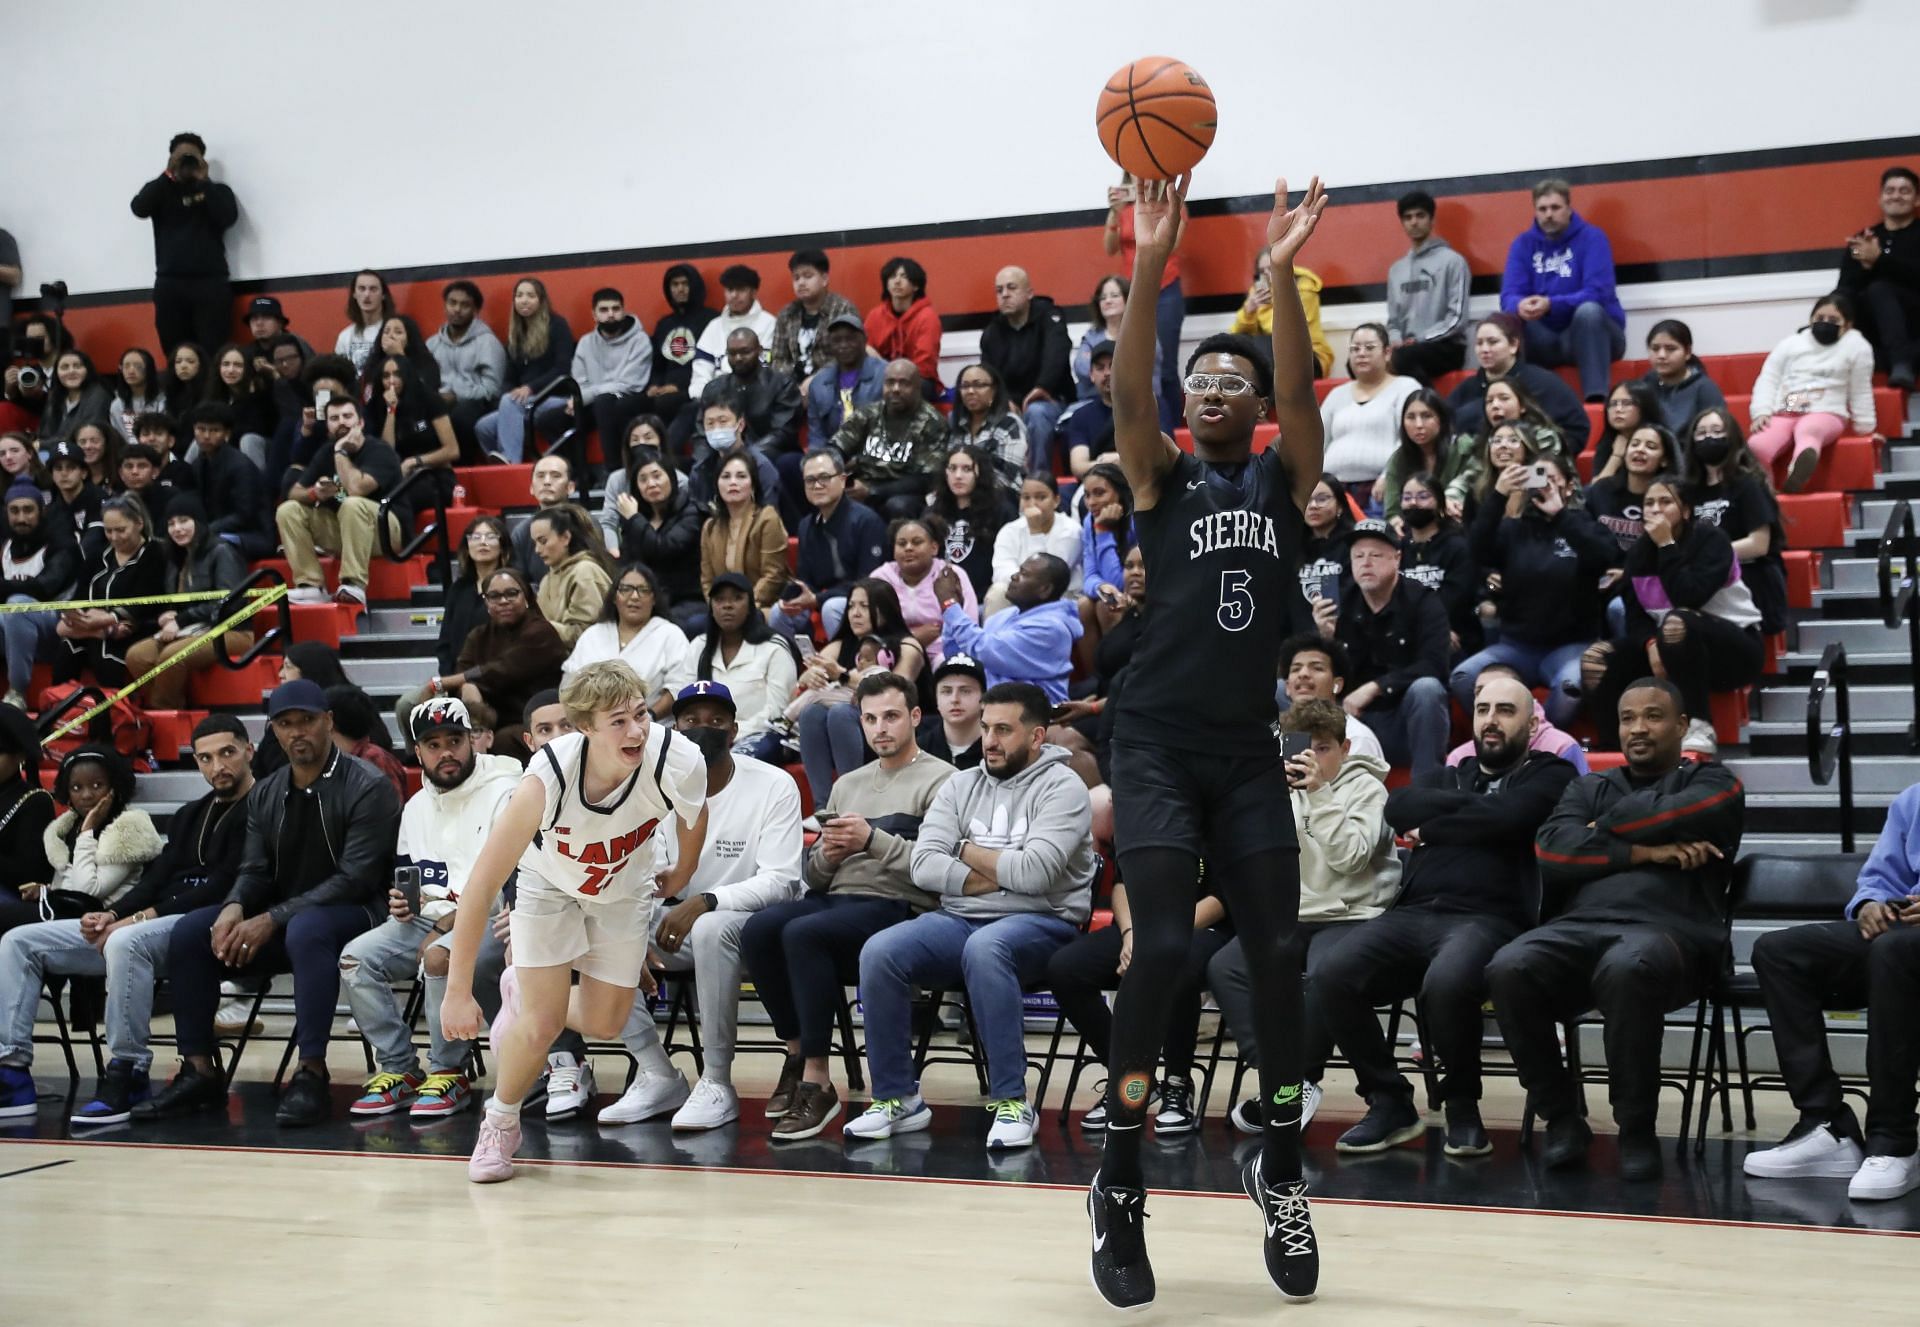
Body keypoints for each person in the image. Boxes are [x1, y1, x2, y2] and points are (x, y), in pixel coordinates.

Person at [1089, 171, 1329, 1311]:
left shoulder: (1286, 482)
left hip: (1242, 750)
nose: (1225, 385)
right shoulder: (1160, 476)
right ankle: (1121, 1180)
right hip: (1152, 747)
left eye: (1242, 376)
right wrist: (1149, 262)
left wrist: (1276, 279)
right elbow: (1133, 382)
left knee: (1279, 959)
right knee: (1169, 954)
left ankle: (1278, 1162)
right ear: (1191, 407)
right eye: (1208, 377)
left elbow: (1300, 388)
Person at [438, 660, 708, 1182]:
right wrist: (457, 989)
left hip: (624, 890)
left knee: (608, 1022)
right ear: (585, 727)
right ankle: (501, 1121)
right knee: (540, 1022)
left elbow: (695, 816)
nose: (636, 730)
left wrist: (681, 874)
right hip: (549, 887)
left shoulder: (677, 757)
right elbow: (480, 889)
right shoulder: (544, 781)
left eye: (640, 715)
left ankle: (532, 991)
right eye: (618, 722)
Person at [1489, 677, 1745, 1181]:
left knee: (1627, 967)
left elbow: (1684, 810)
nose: (1638, 729)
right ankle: (1563, 1118)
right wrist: (1648, 850)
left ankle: (1636, 1129)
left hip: (1675, 935)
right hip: (1580, 928)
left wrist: (1600, 829)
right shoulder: (1588, 786)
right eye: (1627, 719)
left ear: (1681, 726)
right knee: (1508, 966)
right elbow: (1553, 851)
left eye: (1652, 716)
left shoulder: (1714, 782)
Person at [1314, 675, 1578, 1155]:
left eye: (1505, 710)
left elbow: (1514, 817)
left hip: (1490, 917)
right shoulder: (1450, 772)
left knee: (1448, 982)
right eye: (1482, 710)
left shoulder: (1551, 773)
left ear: (1532, 720)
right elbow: (1401, 805)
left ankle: (1461, 1105)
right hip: (1413, 912)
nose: (1491, 720)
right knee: (1331, 972)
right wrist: (1480, 807)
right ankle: (1389, 1100)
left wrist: (1446, 819)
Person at [135, 681, 399, 1127]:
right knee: (192, 932)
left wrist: (271, 918)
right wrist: (234, 907)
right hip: (287, 919)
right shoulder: (267, 792)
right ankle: (198, 1068)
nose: (298, 732)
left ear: (328, 722)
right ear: (273, 731)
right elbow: (254, 870)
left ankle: (312, 1071)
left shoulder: (367, 785)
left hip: (362, 915)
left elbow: (356, 879)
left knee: (307, 928)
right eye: (286, 724)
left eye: (308, 721)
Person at [846, 682, 1094, 1148]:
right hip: (959, 918)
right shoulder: (962, 784)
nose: (990, 740)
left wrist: (959, 850)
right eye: (985, 728)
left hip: (1044, 922)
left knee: (988, 947)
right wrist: (1000, 869)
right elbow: (923, 865)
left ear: (1038, 736)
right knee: (881, 950)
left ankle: (1012, 1101)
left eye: (1004, 729)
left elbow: (1038, 875)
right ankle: (899, 1098)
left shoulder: (1065, 788)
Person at [0, 717, 252, 1126]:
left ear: (248, 751)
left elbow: (226, 884)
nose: (216, 766)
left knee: (124, 941)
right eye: (205, 758)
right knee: (19, 940)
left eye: (226, 753)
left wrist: (135, 918)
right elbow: (158, 877)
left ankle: (128, 1069)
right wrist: (112, 914)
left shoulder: (263, 805)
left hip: (206, 922)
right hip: (151, 920)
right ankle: (10, 1073)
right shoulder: (191, 813)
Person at [739, 672, 955, 1141]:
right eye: (871, 719)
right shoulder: (849, 784)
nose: (881, 729)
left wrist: (873, 840)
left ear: (915, 717)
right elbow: (816, 877)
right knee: (758, 928)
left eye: (892, 717)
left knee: (803, 933)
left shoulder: (945, 781)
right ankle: (797, 1055)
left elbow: (936, 873)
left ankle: (819, 1079)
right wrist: (826, 857)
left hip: (901, 905)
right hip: (837, 898)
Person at [597, 681, 805, 1130]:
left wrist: (707, 902)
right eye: (691, 721)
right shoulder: (652, 787)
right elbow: (650, 869)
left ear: (734, 729)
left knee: (711, 928)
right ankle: (656, 1072)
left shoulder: (774, 784)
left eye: (715, 721)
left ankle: (716, 1083)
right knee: (600, 925)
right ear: (673, 730)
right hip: (677, 920)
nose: (703, 729)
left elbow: (783, 880)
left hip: (756, 927)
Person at [1213, 698, 1398, 1137]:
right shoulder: (1275, 788)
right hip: (1292, 916)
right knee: (1226, 966)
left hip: (1355, 914)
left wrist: (1319, 794)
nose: (1310, 757)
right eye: (1301, 747)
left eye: (1323, 748)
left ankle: (1300, 1078)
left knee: (1325, 973)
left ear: (1345, 747)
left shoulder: (1369, 790)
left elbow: (1351, 859)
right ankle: (1284, 1075)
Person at [336, 698, 521, 1120]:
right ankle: (400, 1071)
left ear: (472, 741)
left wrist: (443, 926)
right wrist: (404, 901)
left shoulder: (507, 790)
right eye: (433, 745)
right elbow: (414, 875)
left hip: (491, 917)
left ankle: (448, 1072)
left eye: (455, 740)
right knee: (355, 958)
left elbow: (505, 882)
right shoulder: (416, 805)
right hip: (429, 918)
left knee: (439, 956)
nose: (447, 753)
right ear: (417, 753)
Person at [1744, 779, 1920, 1200]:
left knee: (1892, 951)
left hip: (1902, 950)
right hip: (1904, 938)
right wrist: (1870, 905)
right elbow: (1880, 876)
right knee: (1779, 951)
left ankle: (1894, 1139)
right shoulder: (1912, 800)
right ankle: (1828, 1126)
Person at [1581, 472, 1763, 758]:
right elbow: (1636, 617)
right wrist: (1649, 644)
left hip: (1733, 650)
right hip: (1670, 649)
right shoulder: (1639, 553)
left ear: (1686, 510)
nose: (1654, 509)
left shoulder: (1711, 541)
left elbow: (1688, 596)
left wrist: (1666, 545)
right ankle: (1614, 747)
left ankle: (1700, 725)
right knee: (1597, 659)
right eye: (1649, 503)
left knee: (1677, 623)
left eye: (1665, 501)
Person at [1449, 452, 1616, 728]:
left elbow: (1604, 556)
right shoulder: (1512, 530)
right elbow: (1475, 550)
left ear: (1569, 486)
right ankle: (1513, 737)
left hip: (1571, 646)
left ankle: (1539, 743)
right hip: (1516, 645)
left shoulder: (1585, 524)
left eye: (1552, 478)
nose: (1544, 485)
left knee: (1571, 686)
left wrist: (1560, 515)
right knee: (1463, 677)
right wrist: (1499, 495)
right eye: (1537, 478)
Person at [1319, 520, 1451, 776]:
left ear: (1397, 558)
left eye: (1376, 555)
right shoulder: (1340, 602)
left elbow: (1435, 665)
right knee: (1286, 688)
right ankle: (1294, 788)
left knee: (1427, 689)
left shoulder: (1423, 600)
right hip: (1348, 719)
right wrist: (1325, 640)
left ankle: (1425, 793)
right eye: (1358, 556)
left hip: (1403, 720)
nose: (1366, 562)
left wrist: (1377, 687)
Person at [791, 579, 925, 806]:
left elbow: (895, 692)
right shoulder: (842, 644)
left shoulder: (907, 646)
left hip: (895, 724)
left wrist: (842, 675)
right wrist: (804, 680)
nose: (855, 613)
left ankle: (853, 802)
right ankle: (822, 807)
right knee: (811, 713)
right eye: (851, 606)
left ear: (884, 610)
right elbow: (795, 698)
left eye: (864, 606)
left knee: (841, 713)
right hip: (852, 726)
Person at [1500, 179, 1626, 402]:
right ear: (1535, 211)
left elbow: (1598, 292)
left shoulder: (1592, 238)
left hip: (1594, 335)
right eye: (1543, 209)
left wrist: (1550, 304)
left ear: (1569, 208)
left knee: (1589, 311)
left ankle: (1596, 400)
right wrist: (1520, 306)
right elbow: (1509, 295)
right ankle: (1519, 401)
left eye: (1555, 208)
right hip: (1545, 338)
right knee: (1509, 319)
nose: (1549, 214)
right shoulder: (1522, 244)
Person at [276, 397, 407, 610]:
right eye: (334, 418)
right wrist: (314, 493)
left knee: (353, 503)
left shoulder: (380, 450)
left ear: (361, 423)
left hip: (386, 531)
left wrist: (341, 451)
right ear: (327, 425)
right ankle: (310, 585)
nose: (341, 423)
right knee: (288, 510)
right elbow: (293, 492)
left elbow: (356, 489)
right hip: (347, 532)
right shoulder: (325, 452)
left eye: (347, 416)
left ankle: (353, 584)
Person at [123, 492, 251, 710]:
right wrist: (170, 613)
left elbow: (229, 603)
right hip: (191, 628)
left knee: (172, 656)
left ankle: (162, 714)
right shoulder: (175, 557)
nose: (177, 528)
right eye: (171, 523)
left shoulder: (222, 551)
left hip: (232, 630)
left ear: (198, 522)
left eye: (184, 521)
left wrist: (181, 620)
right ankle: (173, 706)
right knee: (136, 656)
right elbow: (176, 600)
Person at [1746, 293, 1879, 493]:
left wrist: (1865, 428)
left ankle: (1797, 472)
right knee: (1757, 444)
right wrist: (1761, 411)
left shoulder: (1857, 347)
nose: (1825, 323)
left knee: (1809, 429)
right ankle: (1766, 491)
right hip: (1786, 410)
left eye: (1833, 320)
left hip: (1827, 411)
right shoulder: (1790, 344)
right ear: (1810, 320)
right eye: (1819, 318)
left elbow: (1860, 390)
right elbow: (1768, 378)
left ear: (1848, 325)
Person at [393, 516, 511, 736]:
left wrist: (464, 681)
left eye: (490, 536)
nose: (482, 542)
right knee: (406, 705)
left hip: (494, 679)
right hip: (454, 679)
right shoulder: (459, 589)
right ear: (467, 545)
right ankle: (420, 757)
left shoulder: (510, 587)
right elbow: (444, 642)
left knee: (471, 700)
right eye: (475, 537)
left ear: (503, 544)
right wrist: (449, 680)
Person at [662, 574, 799, 761]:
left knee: (735, 759)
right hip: (702, 737)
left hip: (760, 735)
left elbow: (777, 711)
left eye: (736, 598)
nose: (727, 605)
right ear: (711, 607)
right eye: (719, 599)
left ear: (750, 605)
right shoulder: (699, 646)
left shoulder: (774, 647)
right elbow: (683, 698)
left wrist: (728, 734)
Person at [1682, 405, 1790, 636]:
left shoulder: (1747, 483)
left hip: (1751, 576)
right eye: (1701, 433)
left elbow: (1758, 544)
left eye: (1717, 431)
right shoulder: (1688, 490)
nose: (1708, 437)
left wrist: (1708, 556)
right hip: (1708, 576)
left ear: (1732, 437)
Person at [439, 568, 570, 750]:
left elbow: (502, 669)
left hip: (533, 718)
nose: (503, 601)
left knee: (502, 740)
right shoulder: (478, 635)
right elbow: (463, 669)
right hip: (488, 717)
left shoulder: (541, 631)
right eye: (494, 596)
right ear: (485, 602)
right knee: (411, 706)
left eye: (511, 594)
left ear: (526, 598)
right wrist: (465, 686)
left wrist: (442, 683)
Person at [131, 132, 237, 355]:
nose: (187, 162)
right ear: (170, 159)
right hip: (171, 284)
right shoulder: (160, 191)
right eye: (181, 157)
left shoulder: (218, 191)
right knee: (176, 356)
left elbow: (228, 217)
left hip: (211, 284)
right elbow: (139, 208)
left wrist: (204, 181)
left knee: (213, 354)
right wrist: (168, 175)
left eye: (192, 157)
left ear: (203, 159)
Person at [51, 494, 168, 689]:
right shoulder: (98, 556)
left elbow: (145, 603)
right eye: (108, 531)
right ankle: (57, 708)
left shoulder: (155, 553)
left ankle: (115, 710)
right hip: (94, 628)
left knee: (105, 649)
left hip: (137, 628)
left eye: (121, 530)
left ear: (139, 523)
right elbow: (79, 597)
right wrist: (83, 619)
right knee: (69, 646)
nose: (114, 537)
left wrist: (109, 621)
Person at [774, 448, 887, 642]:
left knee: (832, 607)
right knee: (779, 612)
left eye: (824, 477)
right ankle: (795, 664)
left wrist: (818, 600)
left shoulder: (867, 521)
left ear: (843, 480)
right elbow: (806, 578)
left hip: (863, 600)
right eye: (810, 480)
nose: (817, 485)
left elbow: (869, 581)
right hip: (822, 598)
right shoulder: (806, 525)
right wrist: (795, 596)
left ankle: (846, 664)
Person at [935, 553, 1079, 703]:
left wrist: (949, 605)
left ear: (1045, 589)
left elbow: (983, 649)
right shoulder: (1003, 616)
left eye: (1024, 574)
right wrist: (955, 607)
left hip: (1036, 717)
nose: (1014, 577)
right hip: (993, 711)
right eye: (1018, 570)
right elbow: (958, 656)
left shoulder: (1051, 629)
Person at [1103, 177, 1187, 429]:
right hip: (1133, 291)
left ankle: (1176, 429)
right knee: (1138, 363)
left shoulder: (1171, 202)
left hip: (1166, 288)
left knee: (1166, 365)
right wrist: (1114, 213)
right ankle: (1147, 427)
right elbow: (1109, 248)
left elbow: (1174, 243)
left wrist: (1158, 210)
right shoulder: (1124, 206)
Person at [1448, 313, 1592, 451]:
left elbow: (1576, 430)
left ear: (1513, 345)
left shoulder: (1543, 384)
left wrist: (1540, 456)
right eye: (1479, 343)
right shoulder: (1466, 389)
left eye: (1493, 342)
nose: (1484, 349)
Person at [979, 267, 1075, 471]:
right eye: (999, 290)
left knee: (1036, 413)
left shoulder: (1050, 317)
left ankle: (1039, 481)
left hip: (1051, 398)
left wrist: (1042, 387)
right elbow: (987, 374)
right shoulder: (992, 331)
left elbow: (1057, 355)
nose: (1004, 294)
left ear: (1029, 293)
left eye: (1011, 288)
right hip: (1010, 402)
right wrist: (1002, 400)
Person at [1320, 324, 1419, 513]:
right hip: (1333, 489)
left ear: (1387, 352)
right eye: (1355, 349)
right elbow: (1316, 443)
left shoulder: (1406, 387)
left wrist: (1388, 477)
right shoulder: (1336, 394)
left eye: (1369, 347)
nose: (1361, 354)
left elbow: (1408, 441)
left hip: (1380, 488)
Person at [475, 278, 576, 463]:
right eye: (519, 295)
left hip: (555, 397)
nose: (524, 300)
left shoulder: (557, 325)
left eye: (531, 295)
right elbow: (509, 377)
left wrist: (530, 388)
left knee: (510, 403)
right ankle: (501, 464)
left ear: (541, 300)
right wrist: (510, 392)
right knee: (484, 426)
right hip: (525, 402)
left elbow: (562, 369)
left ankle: (511, 465)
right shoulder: (517, 334)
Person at [833, 360, 949, 519]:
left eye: (904, 383)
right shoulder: (869, 413)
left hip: (905, 493)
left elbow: (926, 479)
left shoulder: (932, 422)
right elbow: (836, 447)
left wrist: (873, 492)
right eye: (890, 383)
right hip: (864, 485)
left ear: (917, 388)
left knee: (898, 505)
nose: (895, 389)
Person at [1837, 164, 1920, 386]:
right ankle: (1899, 360)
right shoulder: (1864, 239)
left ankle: (1902, 362)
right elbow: (1846, 288)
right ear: (1880, 199)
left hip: (1914, 323)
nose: (1896, 196)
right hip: (1874, 333)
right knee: (1837, 307)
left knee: (1880, 289)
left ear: (1916, 200)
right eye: (1890, 190)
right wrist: (1866, 267)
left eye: (1904, 191)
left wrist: (1879, 261)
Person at [0, 480, 78, 708]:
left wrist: (6, 588)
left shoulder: (60, 544)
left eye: (28, 510)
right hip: (12, 632)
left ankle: (16, 692)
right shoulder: (4, 544)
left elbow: (43, 588)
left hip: (57, 629)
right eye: (14, 511)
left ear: (41, 511)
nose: (21, 518)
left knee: (18, 605)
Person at [606, 446, 703, 624]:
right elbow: (627, 563)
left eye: (657, 476)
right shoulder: (637, 518)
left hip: (686, 598)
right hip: (645, 598)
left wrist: (634, 518)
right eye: (643, 479)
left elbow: (664, 549)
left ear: (671, 478)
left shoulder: (690, 511)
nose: (651, 483)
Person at [1385, 189, 1472, 384]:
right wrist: (1396, 341)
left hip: (1446, 346)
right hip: (1407, 348)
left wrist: (1421, 339)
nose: (1414, 222)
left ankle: (1431, 408)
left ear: (1432, 220)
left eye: (1420, 215)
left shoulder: (1453, 262)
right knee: (1362, 362)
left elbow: (1457, 319)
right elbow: (1393, 322)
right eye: (1408, 217)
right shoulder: (1396, 270)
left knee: (1403, 358)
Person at [1444, 661, 1590, 773]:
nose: (1488, 696)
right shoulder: (1459, 757)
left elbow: (1584, 804)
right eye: (1480, 692)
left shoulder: (1561, 747)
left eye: (1501, 690)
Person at [874, 515, 977, 670]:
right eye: (901, 544)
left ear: (934, 548)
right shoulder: (880, 578)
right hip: (894, 651)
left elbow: (969, 623)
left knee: (947, 663)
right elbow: (870, 628)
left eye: (917, 542)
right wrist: (912, 639)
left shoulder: (951, 575)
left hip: (943, 650)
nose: (908, 548)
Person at [564, 562, 685, 692]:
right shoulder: (592, 635)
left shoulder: (671, 635)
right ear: (615, 597)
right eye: (626, 589)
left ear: (654, 598)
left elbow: (678, 687)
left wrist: (650, 713)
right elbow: (569, 686)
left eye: (643, 590)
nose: (634, 597)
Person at [569, 288, 653, 470]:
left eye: (616, 309)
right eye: (604, 310)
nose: (611, 315)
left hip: (630, 399)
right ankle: (579, 473)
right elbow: (579, 383)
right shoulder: (585, 343)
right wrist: (579, 399)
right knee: (548, 419)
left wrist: (586, 396)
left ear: (623, 311)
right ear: (594, 314)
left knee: (603, 402)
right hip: (594, 402)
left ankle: (613, 470)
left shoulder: (640, 340)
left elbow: (629, 384)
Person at [1395, 474, 1479, 655]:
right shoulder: (1398, 549)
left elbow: (1457, 601)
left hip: (1454, 633)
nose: (1414, 503)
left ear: (1440, 504)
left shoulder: (1457, 546)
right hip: (1406, 631)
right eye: (1407, 497)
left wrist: (1435, 629)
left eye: (1423, 497)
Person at [427, 280, 508, 460]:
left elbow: (492, 389)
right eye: (452, 303)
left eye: (465, 305)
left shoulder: (488, 343)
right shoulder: (432, 344)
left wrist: (456, 396)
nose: (457, 309)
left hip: (477, 404)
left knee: (460, 417)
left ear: (475, 310)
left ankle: (462, 472)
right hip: (439, 402)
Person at [698, 449, 788, 610]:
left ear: (752, 485)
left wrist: (743, 607)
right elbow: (707, 580)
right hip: (723, 611)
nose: (733, 482)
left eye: (741, 476)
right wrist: (717, 606)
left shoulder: (767, 518)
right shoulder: (710, 527)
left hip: (761, 606)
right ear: (717, 485)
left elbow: (773, 576)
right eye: (726, 477)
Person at [986, 471, 1082, 617]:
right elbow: (1000, 572)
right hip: (1019, 595)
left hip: (1059, 599)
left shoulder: (1071, 531)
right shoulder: (1009, 530)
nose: (1032, 504)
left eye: (1041, 497)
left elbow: (1050, 578)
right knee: (998, 591)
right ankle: (993, 639)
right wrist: (1024, 582)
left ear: (1056, 500)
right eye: (1026, 498)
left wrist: (1035, 531)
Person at [185, 402, 274, 557]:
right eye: (201, 429)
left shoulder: (241, 465)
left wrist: (207, 529)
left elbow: (245, 515)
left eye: (214, 430)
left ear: (227, 434)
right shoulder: (199, 464)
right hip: (216, 530)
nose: (206, 436)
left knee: (213, 545)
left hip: (252, 535)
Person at [1277, 634, 1384, 760]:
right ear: (1288, 687)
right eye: (1296, 669)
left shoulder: (1357, 737)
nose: (1303, 674)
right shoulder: (1274, 736)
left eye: (1317, 668)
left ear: (1337, 685)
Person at [1231, 247, 1334, 378]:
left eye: (1272, 268)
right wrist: (1249, 312)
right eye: (1262, 271)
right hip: (1271, 357)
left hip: (1309, 357)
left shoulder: (1304, 289)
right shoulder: (1259, 292)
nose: (1268, 274)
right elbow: (1238, 334)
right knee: (1237, 343)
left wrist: (1279, 293)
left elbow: (1290, 333)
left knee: (1269, 346)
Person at [929, 445, 1014, 600]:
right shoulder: (933, 511)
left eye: (967, 469)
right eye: (952, 469)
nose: (958, 476)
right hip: (939, 601)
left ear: (980, 474)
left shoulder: (1002, 511)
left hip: (985, 599)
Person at [769, 249, 862, 387]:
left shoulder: (843, 310)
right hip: (793, 386)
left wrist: (816, 380)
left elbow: (850, 356)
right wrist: (793, 378)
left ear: (824, 279)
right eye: (796, 277)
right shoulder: (787, 314)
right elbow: (777, 359)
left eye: (807, 276)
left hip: (834, 383)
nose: (801, 282)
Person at [1380, 391, 1470, 526]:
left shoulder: (1463, 447)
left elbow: (1470, 485)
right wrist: (1395, 521)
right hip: (1414, 529)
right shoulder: (1399, 458)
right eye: (1411, 417)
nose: (1418, 425)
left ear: (1441, 419)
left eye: (1426, 416)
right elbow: (1392, 511)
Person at [1587, 421, 1679, 553]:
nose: (1640, 449)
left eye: (1651, 446)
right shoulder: (1600, 490)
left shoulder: (1671, 499)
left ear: (1664, 460)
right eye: (1634, 444)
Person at [689, 265, 778, 401]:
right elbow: (700, 373)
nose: (734, 295)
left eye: (741, 290)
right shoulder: (714, 326)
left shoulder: (770, 324)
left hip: (754, 400)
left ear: (754, 292)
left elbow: (767, 373)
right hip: (713, 401)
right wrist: (703, 398)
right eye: (730, 290)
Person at [530, 505, 614, 646]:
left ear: (566, 537)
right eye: (535, 543)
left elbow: (585, 634)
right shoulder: (546, 579)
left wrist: (538, 628)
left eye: (543, 541)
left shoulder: (585, 572)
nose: (537, 550)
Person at [648, 263, 716, 430]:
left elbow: (711, 363)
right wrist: (654, 385)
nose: (680, 289)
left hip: (695, 387)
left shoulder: (711, 320)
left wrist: (678, 386)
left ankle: (666, 452)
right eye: (675, 284)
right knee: (627, 405)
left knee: (664, 403)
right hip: (665, 388)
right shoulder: (664, 324)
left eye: (685, 284)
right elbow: (657, 365)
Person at [806, 312, 887, 446]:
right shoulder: (819, 383)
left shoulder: (885, 375)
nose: (843, 345)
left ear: (865, 340)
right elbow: (816, 434)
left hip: (874, 454)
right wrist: (821, 459)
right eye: (837, 341)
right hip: (832, 455)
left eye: (850, 339)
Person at [509, 453, 587, 590]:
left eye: (555, 476)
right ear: (531, 488)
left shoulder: (585, 523)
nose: (546, 481)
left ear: (570, 487)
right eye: (540, 476)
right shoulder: (521, 532)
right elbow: (517, 582)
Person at [865, 256, 943, 395]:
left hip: (918, 380)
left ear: (916, 285)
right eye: (893, 276)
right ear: (886, 284)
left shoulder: (927, 317)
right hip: (881, 377)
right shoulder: (875, 315)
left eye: (904, 276)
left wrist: (893, 371)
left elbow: (925, 366)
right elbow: (866, 352)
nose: (897, 281)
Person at [1636, 319, 1727, 432]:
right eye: (1655, 349)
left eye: (1671, 349)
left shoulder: (1705, 388)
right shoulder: (1644, 385)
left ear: (1687, 352)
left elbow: (1717, 433)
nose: (1661, 355)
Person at [1291, 472, 1354, 632]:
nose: (1313, 505)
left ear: (1339, 505)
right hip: (1298, 638)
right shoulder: (1292, 546)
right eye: (1307, 499)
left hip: (1343, 631)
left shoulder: (1353, 544)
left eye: (1322, 498)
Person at [949, 361, 1030, 482]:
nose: (970, 391)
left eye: (979, 385)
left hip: (1001, 493)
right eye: (965, 386)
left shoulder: (1009, 423)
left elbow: (1007, 475)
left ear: (994, 390)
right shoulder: (955, 423)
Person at [1588, 379, 1665, 485]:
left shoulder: (1661, 439)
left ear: (1644, 406)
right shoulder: (1607, 443)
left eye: (1626, 403)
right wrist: (1616, 457)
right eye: (1613, 404)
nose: (1618, 409)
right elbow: (1595, 491)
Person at [1061, 342, 1119, 481]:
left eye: (1113, 365)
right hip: (1095, 484)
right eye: (1100, 368)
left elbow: (1159, 456)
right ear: (1092, 375)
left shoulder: (1147, 407)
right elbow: (1078, 466)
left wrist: (1120, 460)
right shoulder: (1081, 416)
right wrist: (1109, 463)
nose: (1107, 373)